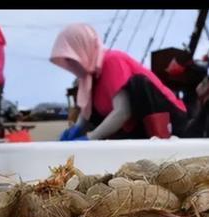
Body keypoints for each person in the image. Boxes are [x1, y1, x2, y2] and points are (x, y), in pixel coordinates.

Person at [50, 23, 188, 141]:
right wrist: (76, 129)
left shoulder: (112, 61)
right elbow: (86, 113)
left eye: (71, 58)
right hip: (142, 132)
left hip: (170, 124)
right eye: (66, 60)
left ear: (82, 49)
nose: (69, 65)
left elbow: (123, 112)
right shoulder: (89, 79)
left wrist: (89, 138)